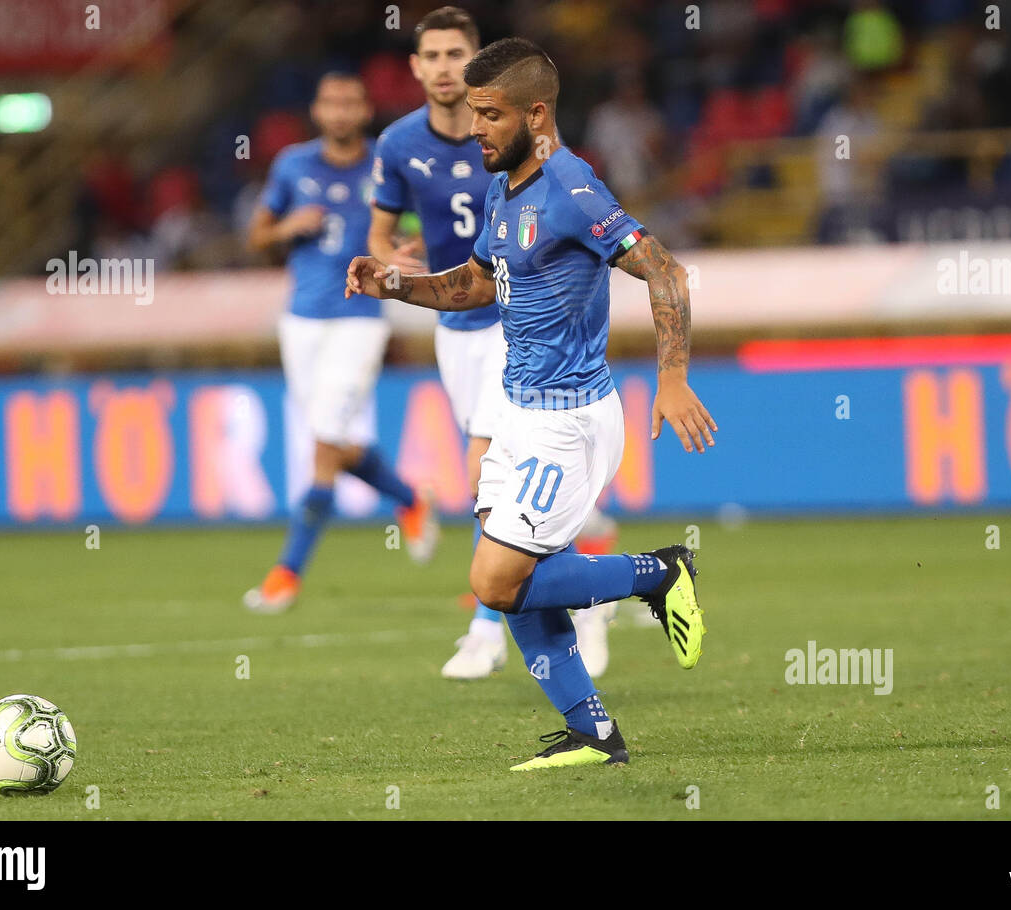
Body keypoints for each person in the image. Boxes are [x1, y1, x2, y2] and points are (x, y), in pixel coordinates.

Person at [346, 39, 716, 770]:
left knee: (494, 581)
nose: (473, 127)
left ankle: (663, 572)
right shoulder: (502, 185)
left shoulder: (573, 189)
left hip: (569, 419)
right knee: (517, 585)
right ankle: (592, 733)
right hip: (517, 409)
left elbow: (666, 271)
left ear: (535, 113)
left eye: (487, 114)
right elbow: (477, 285)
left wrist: (672, 377)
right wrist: (394, 284)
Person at [368, 8, 617, 680]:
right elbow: (382, 235)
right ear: (415, 67)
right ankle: (588, 578)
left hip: (520, 329)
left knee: (486, 473)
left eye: (458, 54)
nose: (446, 66)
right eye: (433, 55)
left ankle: (487, 627)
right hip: (457, 328)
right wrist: (390, 266)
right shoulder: (396, 145)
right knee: (497, 485)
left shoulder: (515, 141)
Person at [244, 72, 437, 614]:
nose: (341, 111)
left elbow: (425, 219)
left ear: (365, 109)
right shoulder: (292, 165)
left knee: (325, 444)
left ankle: (286, 573)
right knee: (333, 440)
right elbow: (258, 234)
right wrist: (287, 229)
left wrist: (408, 243)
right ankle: (408, 497)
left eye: (351, 101)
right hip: (301, 319)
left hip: (361, 316)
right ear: (317, 109)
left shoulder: (386, 162)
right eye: (331, 102)